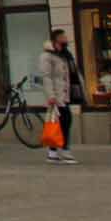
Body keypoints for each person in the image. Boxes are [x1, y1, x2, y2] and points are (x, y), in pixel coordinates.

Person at [34, 29, 79, 165]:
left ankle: (52, 153)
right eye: (63, 37)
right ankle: (64, 150)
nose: (66, 38)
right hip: (56, 96)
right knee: (65, 120)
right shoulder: (47, 56)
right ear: (57, 39)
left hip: (64, 94)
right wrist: (51, 96)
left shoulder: (64, 55)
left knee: (59, 123)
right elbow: (46, 76)